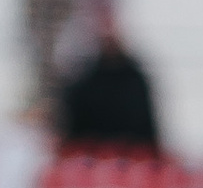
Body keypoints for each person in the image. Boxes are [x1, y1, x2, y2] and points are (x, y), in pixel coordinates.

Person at [51, 8, 162, 154]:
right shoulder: (82, 79)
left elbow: (147, 131)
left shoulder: (135, 80)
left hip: (130, 157)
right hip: (91, 159)